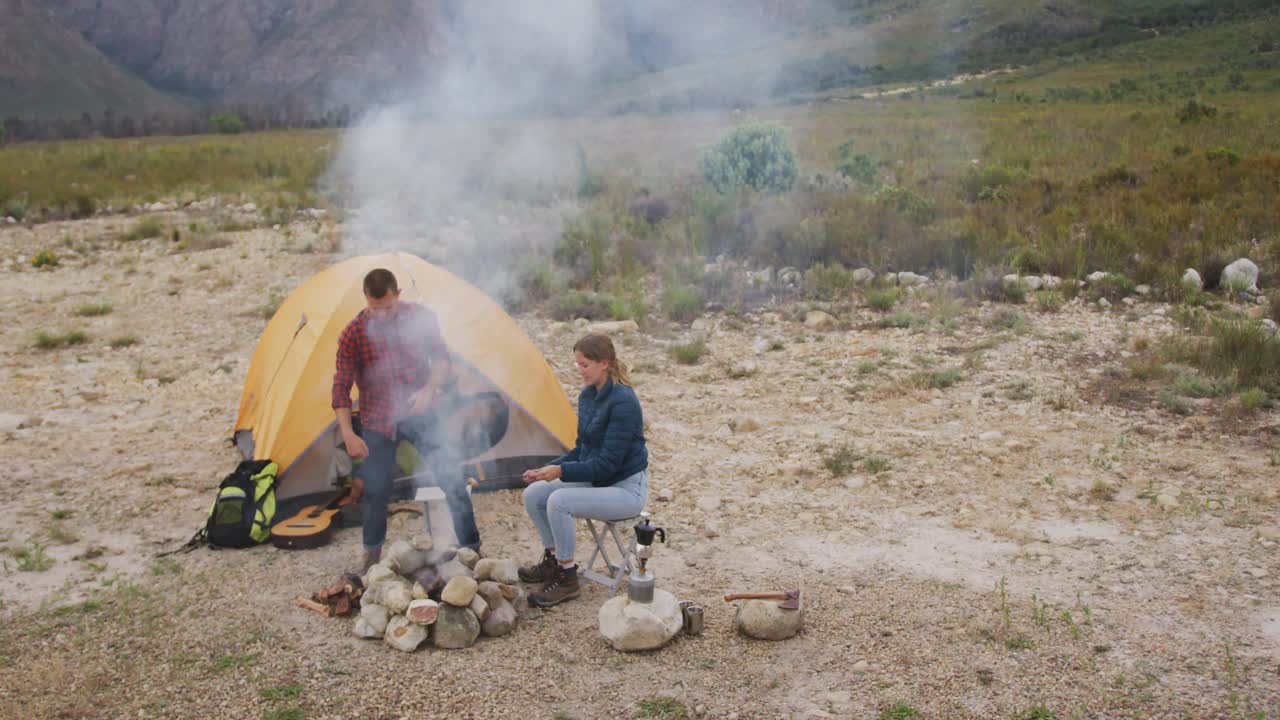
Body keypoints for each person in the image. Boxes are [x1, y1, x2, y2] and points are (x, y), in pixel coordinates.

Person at [332, 268, 480, 572]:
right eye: (375, 309)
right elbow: (341, 388)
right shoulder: (353, 333)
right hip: (377, 420)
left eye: (387, 307)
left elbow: (441, 359)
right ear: (366, 300)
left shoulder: (421, 318)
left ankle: (472, 549)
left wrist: (429, 389)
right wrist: (348, 432)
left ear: (397, 294)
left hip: (422, 412)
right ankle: (371, 557)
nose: (382, 315)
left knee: (451, 477)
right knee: (375, 490)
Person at [519, 333, 649, 608]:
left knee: (558, 501)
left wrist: (561, 472)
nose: (579, 371)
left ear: (604, 363)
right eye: (577, 364)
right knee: (534, 494)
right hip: (598, 482)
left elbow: (607, 465)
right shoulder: (588, 396)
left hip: (624, 489)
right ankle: (554, 561)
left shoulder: (624, 402)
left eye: (584, 364)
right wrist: (546, 470)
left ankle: (567, 579)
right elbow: (583, 449)